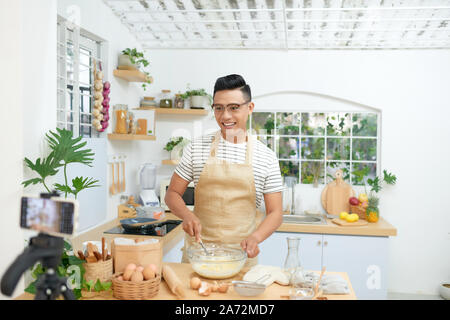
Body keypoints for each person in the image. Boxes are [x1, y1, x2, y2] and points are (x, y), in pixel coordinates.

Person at [165, 74, 283, 266]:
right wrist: (187, 215)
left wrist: (256, 238)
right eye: (218, 108)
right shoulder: (196, 148)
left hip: (241, 259)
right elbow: (172, 194)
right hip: (198, 255)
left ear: (250, 108)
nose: (225, 116)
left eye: (234, 108)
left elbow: (275, 212)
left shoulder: (266, 157)